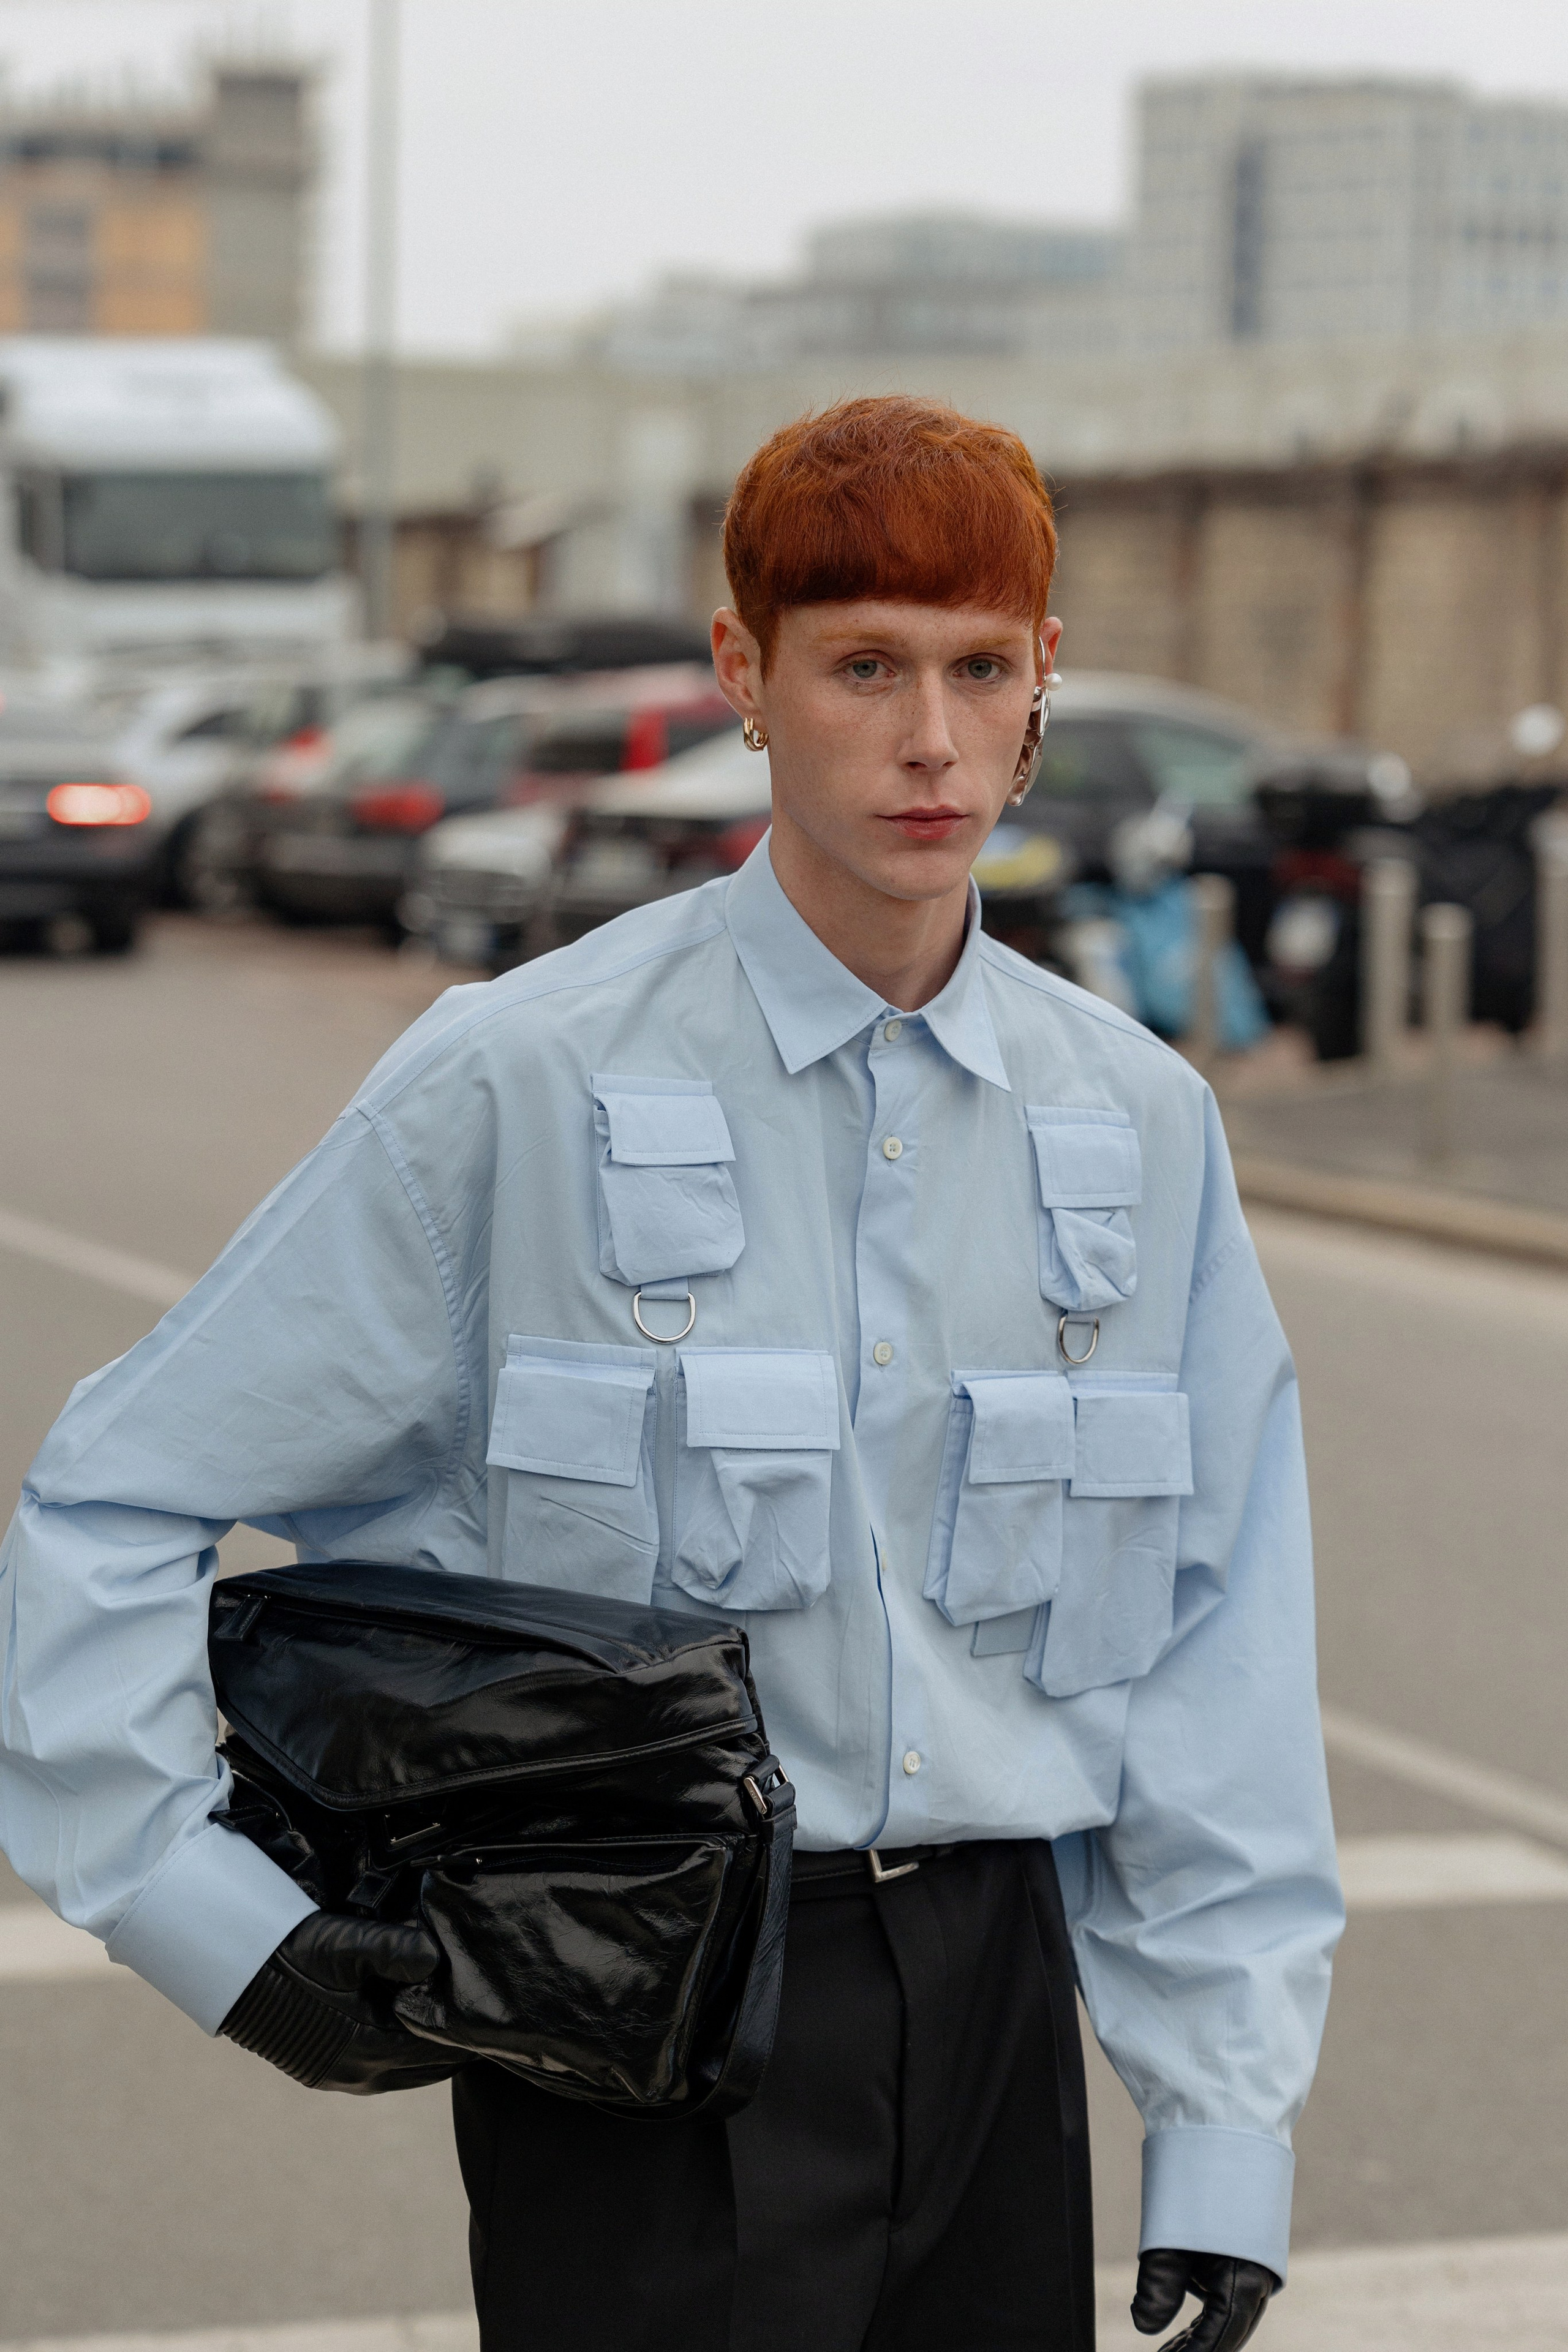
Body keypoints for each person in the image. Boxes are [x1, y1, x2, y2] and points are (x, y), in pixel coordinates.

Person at [0, 396, 1342, 2352]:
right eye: (863, 665)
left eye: (982, 670)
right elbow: (116, 1497)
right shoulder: (517, 1080)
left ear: (1046, 682)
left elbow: (1218, 1637)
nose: (931, 739)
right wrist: (210, 1916)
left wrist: (1223, 2117)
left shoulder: (1138, 1121)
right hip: (636, 2009)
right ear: (745, 675)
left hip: (991, 2019)